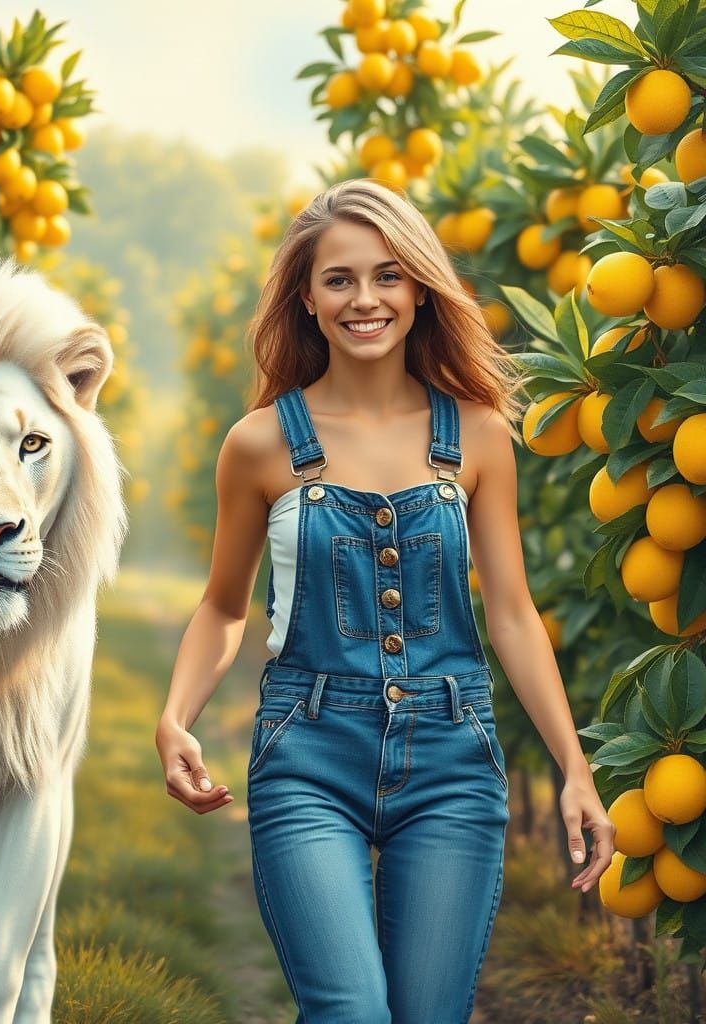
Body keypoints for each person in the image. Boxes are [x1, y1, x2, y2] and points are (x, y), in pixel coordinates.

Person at [154, 178, 616, 1023]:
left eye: (389, 276)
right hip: (308, 755)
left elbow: (510, 613)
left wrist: (574, 766)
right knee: (352, 1011)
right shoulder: (259, 444)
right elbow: (225, 608)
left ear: (419, 290)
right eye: (340, 279)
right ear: (307, 296)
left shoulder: (475, 433)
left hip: (451, 760)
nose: (365, 299)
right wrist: (175, 716)